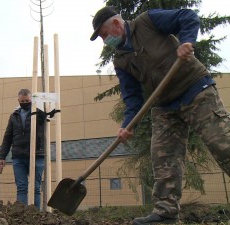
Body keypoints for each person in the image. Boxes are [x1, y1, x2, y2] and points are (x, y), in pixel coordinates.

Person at [90, 6, 230, 225]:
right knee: (163, 159)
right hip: (165, 105)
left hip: (195, 89)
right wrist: (128, 124)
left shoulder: (147, 21)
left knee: (223, 143)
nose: (105, 40)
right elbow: (132, 97)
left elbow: (188, 16)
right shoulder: (121, 60)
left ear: (117, 24)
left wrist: (186, 41)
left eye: (104, 34)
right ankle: (165, 213)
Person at [0, 88, 49, 210]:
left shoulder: (39, 113)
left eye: (27, 100)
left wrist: (42, 109)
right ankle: (22, 215)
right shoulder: (14, 116)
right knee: (21, 187)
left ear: (31, 100)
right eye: (22, 101)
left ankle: (35, 215)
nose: (25, 102)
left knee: (36, 188)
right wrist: (2, 157)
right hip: (18, 156)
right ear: (18, 100)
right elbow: (7, 137)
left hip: (37, 155)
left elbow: (46, 118)